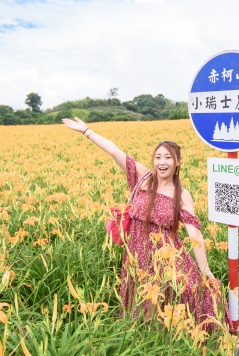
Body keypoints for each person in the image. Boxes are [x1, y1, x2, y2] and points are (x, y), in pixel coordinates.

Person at [61, 117, 222, 331]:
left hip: (165, 257)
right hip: (136, 254)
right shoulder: (143, 178)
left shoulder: (182, 194)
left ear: (178, 162)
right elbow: (115, 152)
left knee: (166, 305)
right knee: (139, 306)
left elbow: (195, 234)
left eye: (168, 158)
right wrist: (86, 131)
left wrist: (205, 269)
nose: (162, 162)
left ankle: (174, 346)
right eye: (158, 157)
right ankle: (140, 343)